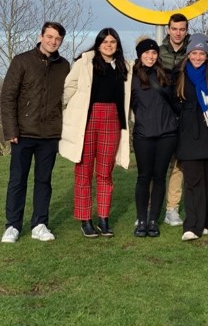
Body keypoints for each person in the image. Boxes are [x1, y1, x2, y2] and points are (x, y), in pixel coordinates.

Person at [1, 22, 69, 244]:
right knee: (17, 180)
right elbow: (8, 97)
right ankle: (12, 225)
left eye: (57, 39)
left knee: (44, 181)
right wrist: (11, 129)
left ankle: (40, 224)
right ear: (41, 36)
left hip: (49, 135)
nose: (53, 41)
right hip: (22, 133)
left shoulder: (64, 66)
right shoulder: (22, 61)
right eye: (49, 37)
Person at [60, 28, 132, 238]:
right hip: (88, 119)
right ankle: (85, 219)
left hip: (113, 120)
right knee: (83, 171)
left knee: (105, 172)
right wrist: (65, 113)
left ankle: (103, 218)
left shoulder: (125, 67)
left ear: (117, 44)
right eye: (105, 41)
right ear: (98, 43)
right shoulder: (84, 62)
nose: (108, 45)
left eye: (112, 42)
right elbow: (69, 88)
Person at [173, 34, 208, 241]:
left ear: (207, 55)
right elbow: (173, 99)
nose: (197, 57)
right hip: (190, 133)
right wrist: (185, 111)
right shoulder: (179, 73)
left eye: (201, 53)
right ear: (188, 54)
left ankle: (206, 221)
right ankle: (192, 225)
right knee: (192, 180)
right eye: (194, 53)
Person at [130, 38, 178, 238]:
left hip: (167, 134)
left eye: (154, 53)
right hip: (143, 135)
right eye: (146, 53)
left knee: (159, 177)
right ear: (140, 55)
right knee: (143, 177)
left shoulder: (166, 75)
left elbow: (176, 101)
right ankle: (141, 219)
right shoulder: (131, 77)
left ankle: (153, 220)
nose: (150, 56)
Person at [159, 12, 190, 227]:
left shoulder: (193, 52)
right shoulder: (157, 52)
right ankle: (151, 209)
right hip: (160, 115)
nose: (178, 33)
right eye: (174, 28)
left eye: (182, 29)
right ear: (168, 29)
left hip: (184, 114)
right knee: (157, 165)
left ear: (186, 31)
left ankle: (172, 208)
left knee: (179, 165)